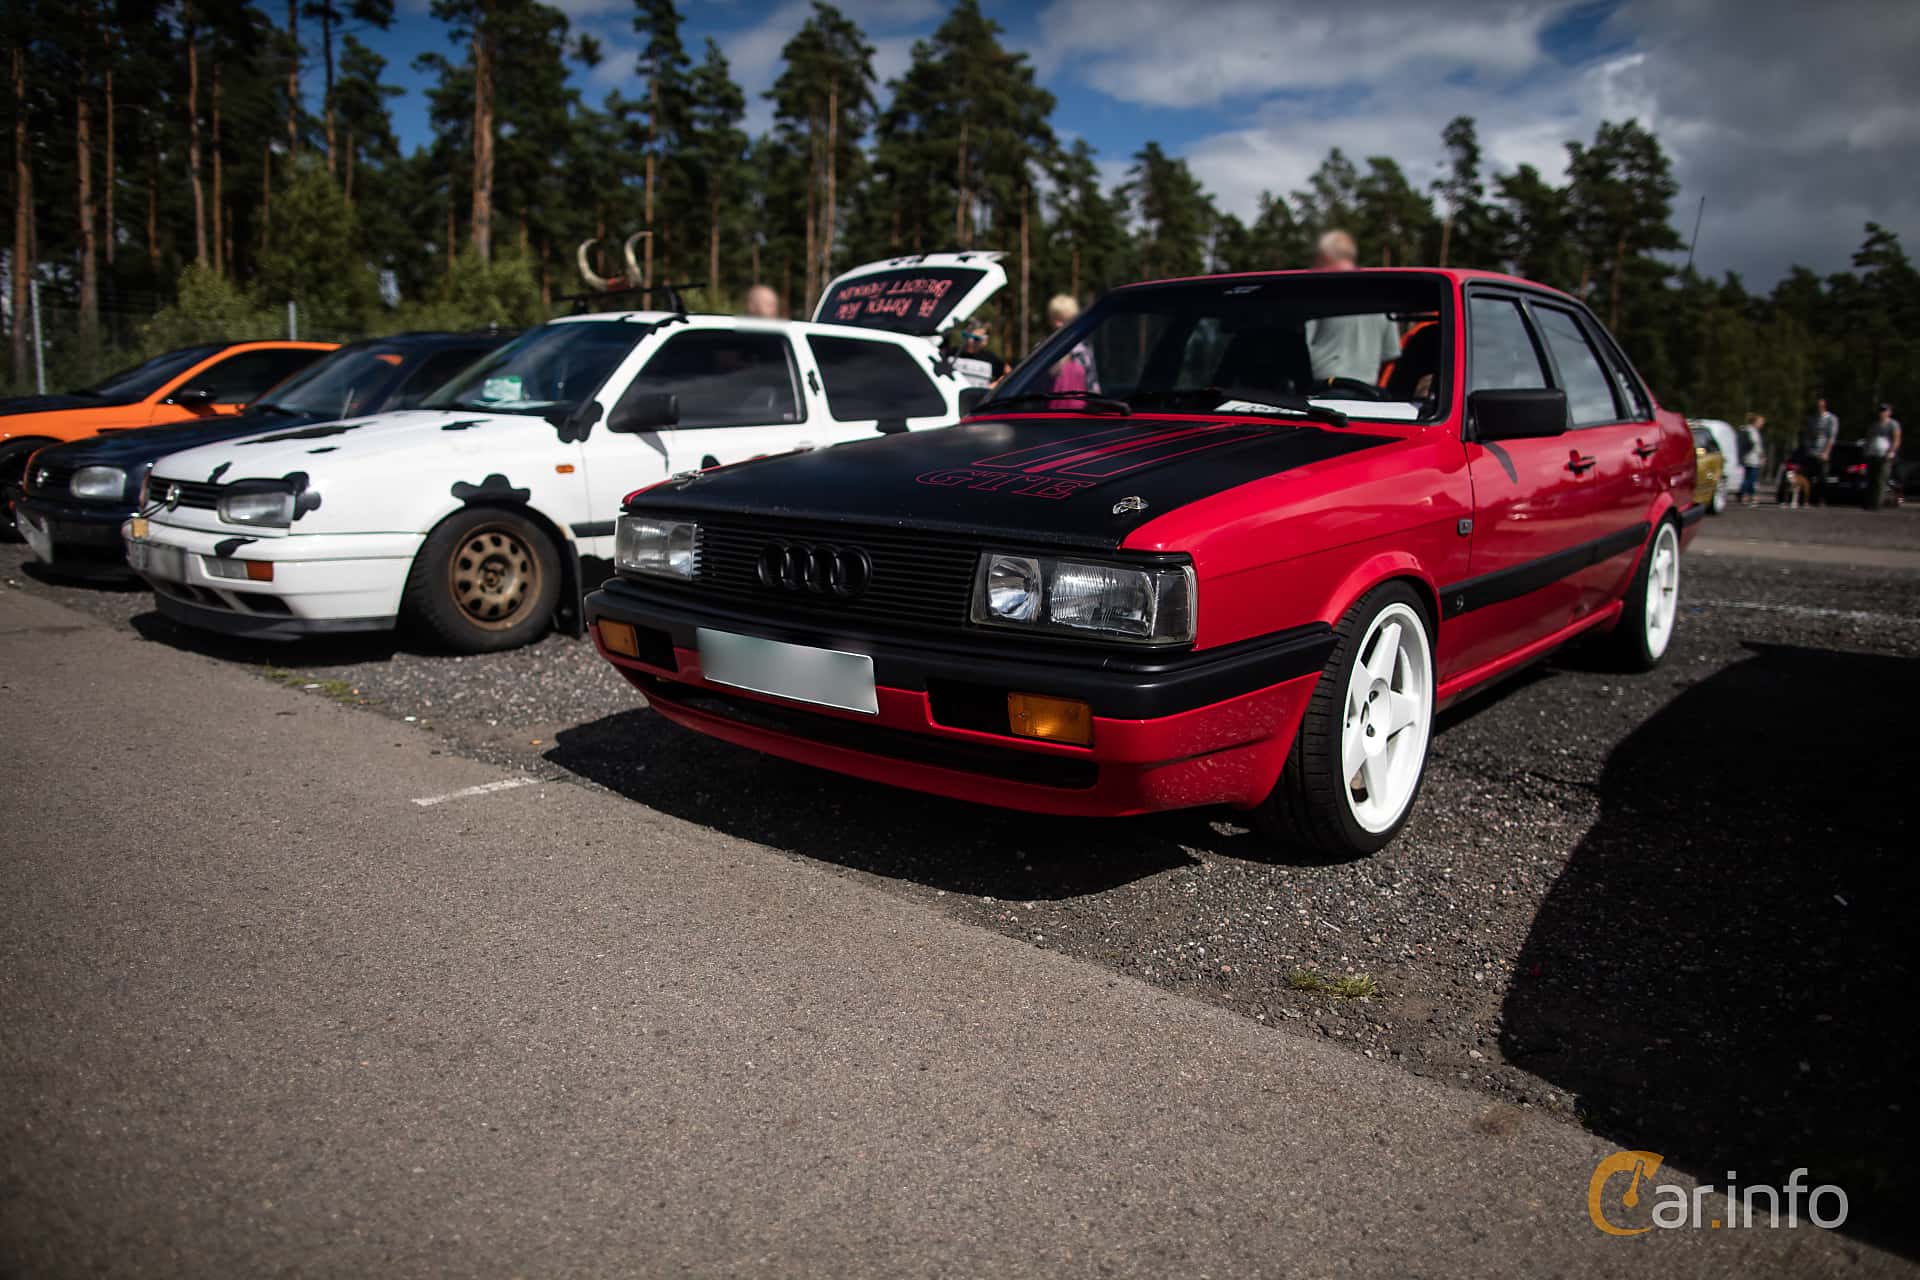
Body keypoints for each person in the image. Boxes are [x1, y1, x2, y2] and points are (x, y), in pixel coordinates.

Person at [1304, 230, 1400, 387]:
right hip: (1367, 395)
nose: (1313, 267)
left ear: (1324, 257)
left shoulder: (1318, 292)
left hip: (1319, 392)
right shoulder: (1382, 297)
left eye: (1316, 261)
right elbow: (1390, 356)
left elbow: (1298, 348)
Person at [1044, 294, 1099, 394]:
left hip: (1080, 408)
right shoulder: (1043, 348)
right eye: (1055, 318)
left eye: (1063, 319)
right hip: (1048, 408)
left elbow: (1092, 383)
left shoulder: (1081, 350)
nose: (1058, 324)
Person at [1864, 403, 1902, 511]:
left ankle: (1877, 504)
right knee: (1871, 479)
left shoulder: (1893, 424)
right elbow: (1869, 438)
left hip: (1885, 455)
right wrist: (1867, 451)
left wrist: (1891, 451)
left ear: (1889, 412)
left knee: (1880, 480)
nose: (1882, 413)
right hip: (1873, 454)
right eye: (1881, 411)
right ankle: (1869, 503)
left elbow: (1896, 439)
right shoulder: (1874, 425)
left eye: (1885, 411)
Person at [1802, 397, 1838, 505]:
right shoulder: (1812, 419)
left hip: (1823, 453)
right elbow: (1807, 435)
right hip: (1812, 451)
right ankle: (1807, 499)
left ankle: (1821, 499)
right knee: (1809, 477)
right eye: (1818, 406)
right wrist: (1808, 448)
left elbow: (1831, 437)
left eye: (1821, 406)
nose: (1819, 408)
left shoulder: (1831, 419)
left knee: (1822, 477)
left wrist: (1826, 452)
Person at [953, 322, 1008, 388]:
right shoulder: (951, 353)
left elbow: (1009, 373)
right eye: (967, 336)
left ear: (985, 340)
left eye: (976, 339)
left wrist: (994, 385)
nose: (970, 341)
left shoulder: (990, 358)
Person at [1737, 413, 1766, 506]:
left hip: (1746, 458)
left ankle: (1743, 495)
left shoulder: (1746, 429)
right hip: (1753, 459)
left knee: (1746, 478)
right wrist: (1762, 456)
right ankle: (1748, 496)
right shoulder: (1753, 432)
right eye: (1761, 422)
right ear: (1755, 422)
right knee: (1751, 479)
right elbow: (1756, 445)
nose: (1762, 424)